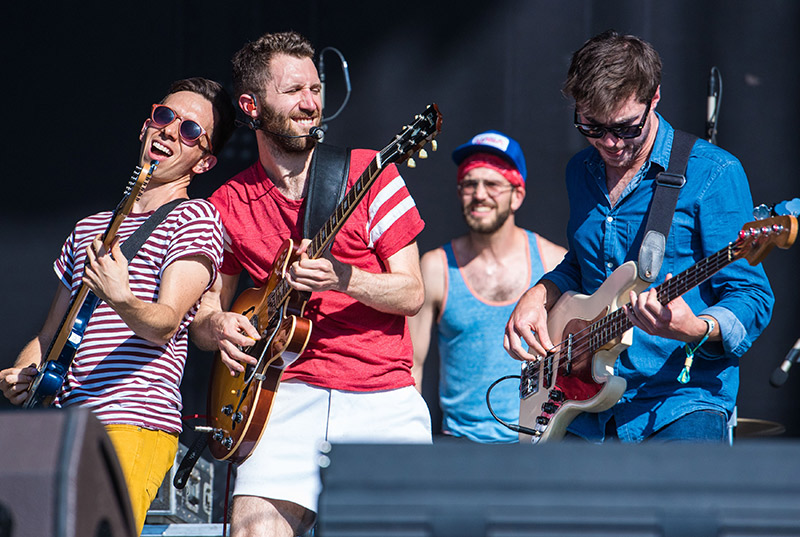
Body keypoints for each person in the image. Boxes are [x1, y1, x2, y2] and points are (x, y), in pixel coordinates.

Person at [190, 31, 431, 536]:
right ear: (252, 106)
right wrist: (218, 324)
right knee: (254, 530)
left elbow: (412, 293)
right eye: (295, 91)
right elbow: (208, 312)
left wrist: (347, 278)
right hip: (282, 396)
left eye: (316, 89)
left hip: (380, 395)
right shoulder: (228, 203)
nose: (311, 104)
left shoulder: (370, 173)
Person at [504, 30, 774, 443]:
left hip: (678, 402)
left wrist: (696, 327)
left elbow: (751, 295)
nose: (610, 143)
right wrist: (538, 294)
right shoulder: (581, 171)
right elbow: (581, 264)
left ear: (655, 98)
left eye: (626, 128)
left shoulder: (713, 173)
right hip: (583, 406)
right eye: (592, 126)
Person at [0, 77, 236, 534]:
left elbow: (166, 323)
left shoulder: (196, 217)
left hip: (133, 421)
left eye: (189, 130)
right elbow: (49, 335)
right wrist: (21, 373)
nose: (170, 131)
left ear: (204, 162)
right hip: (66, 427)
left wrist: (122, 297)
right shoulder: (88, 227)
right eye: (164, 117)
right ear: (146, 126)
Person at [409, 131, 566, 443]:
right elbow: (412, 366)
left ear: (517, 194)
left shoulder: (554, 262)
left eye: (492, 184)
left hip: (540, 444)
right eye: (469, 184)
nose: (479, 194)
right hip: (460, 446)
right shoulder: (436, 267)